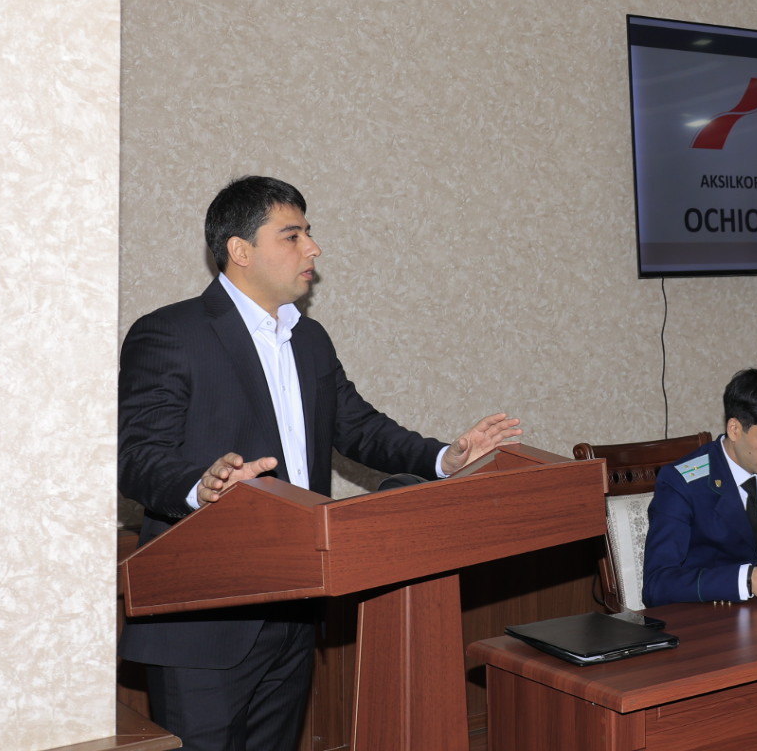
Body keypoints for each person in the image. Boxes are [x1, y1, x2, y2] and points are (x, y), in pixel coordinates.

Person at [117, 176, 524, 751]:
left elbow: (359, 428)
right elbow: (136, 457)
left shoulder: (310, 340)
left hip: (296, 608)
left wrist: (444, 457)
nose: (313, 248)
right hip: (204, 620)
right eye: (293, 234)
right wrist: (199, 486)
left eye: (309, 232)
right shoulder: (169, 333)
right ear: (240, 250)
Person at [643, 368, 757, 606]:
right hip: (701, 619)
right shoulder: (682, 483)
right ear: (735, 429)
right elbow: (658, 585)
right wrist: (746, 580)